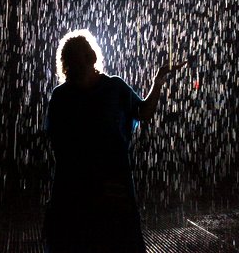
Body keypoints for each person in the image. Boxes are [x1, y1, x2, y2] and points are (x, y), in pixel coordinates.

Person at [43, 29, 185, 253]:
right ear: (91, 57)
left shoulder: (71, 95)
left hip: (81, 189)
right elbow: (144, 112)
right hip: (101, 187)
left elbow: (58, 145)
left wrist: (158, 82)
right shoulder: (102, 90)